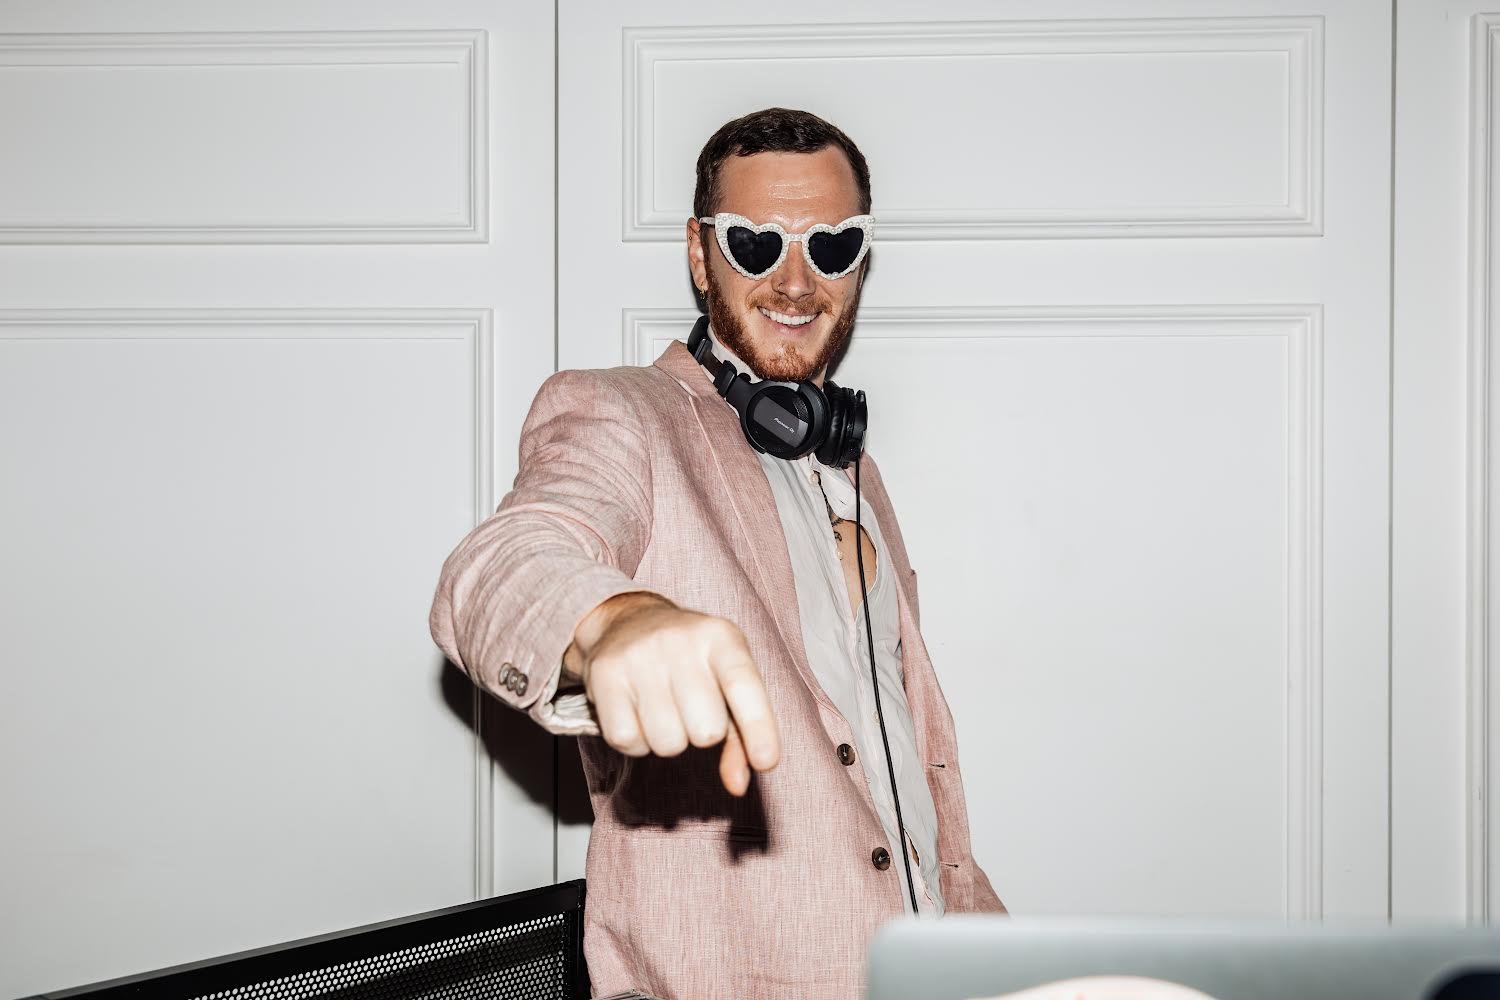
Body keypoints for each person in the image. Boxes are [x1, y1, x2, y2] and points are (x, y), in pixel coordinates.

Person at [429, 107, 1005, 1000]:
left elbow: (903, 777)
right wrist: (612, 620)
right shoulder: (624, 415)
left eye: (832, 246)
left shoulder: (855, 472)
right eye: (755, 243)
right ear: (701, 255)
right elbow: (507, 559)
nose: (795, 281)